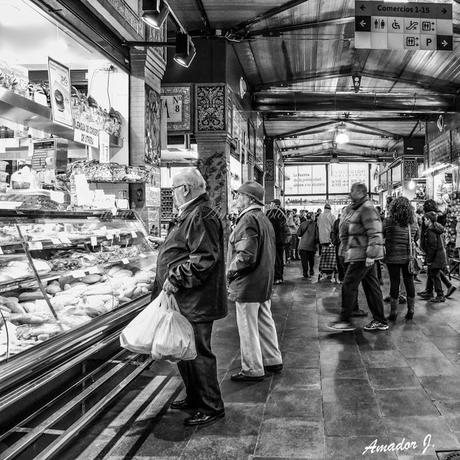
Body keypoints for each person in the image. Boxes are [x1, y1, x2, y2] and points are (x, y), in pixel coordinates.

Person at [154, 168, 226, 426]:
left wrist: (175, 278)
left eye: (173, 189)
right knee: (186, 351)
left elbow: (204, 259)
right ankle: (195, 397)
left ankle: (211, 406)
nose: (171, 194)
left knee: (198, 352)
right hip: (186, 300)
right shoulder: (192, 213)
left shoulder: (201, 214)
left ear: (185, 189)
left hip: (196, 299)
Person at [227, 181, 283, 381]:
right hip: (263, 279)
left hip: (248, 283)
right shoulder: (264, 218)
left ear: (249, 198)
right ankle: (272, 359)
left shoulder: (248, 219)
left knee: (247, 325)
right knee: (265, 321)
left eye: (239, 195)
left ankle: (252, 368)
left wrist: (230, 271)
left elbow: (246, 255)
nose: (236, 199)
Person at [329, 182, 388, 332]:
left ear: (361, 192)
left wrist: (371, 255)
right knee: (371, 287)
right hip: (360, 254)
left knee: (348, 285)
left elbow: (375, 232)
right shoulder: (359, 208)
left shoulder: (367, 208)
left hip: (362, 255)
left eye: (352, 191)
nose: (350, 193)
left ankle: (345, 320)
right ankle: (380, 320)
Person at [383, 197, 419, 321]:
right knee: (409, 282)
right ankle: (411, 310)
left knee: (395, 282)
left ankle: (393, 312)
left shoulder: (388, 221)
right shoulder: (413, 223)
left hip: (392, 257)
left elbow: (382, 235)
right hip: (408, 258)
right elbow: (416, 237)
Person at [418, 199, 456, 299]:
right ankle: (430, 291)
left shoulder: (430, 223)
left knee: (434, 271)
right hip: (438, 251)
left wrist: (428, 256)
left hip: (434, 252)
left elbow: (432, 243)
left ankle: (440, 293)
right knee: (433, 271)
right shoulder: (436, 218)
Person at [421, 210, 448, 302]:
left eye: (425, 219)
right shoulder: (436, 227)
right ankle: (429, 292)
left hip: (436, 256)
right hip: (440, 255)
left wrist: (429, 259)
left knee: (435, 275)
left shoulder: (431, 230)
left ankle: (440, 295)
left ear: (429, 220)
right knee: (432, 274)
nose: (424, 221)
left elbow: (432, 246)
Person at [266, 199, 288, 284]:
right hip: (281, 240)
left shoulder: (269, 213)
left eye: (271, 203)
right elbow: (285, 227)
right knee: (280, 258)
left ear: (275, 204)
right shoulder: (282, 213)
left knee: (273, 259)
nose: (270, 205)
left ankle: (275, 277)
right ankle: (280, 277)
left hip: (272, 240)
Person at [297, 211, 318, 277]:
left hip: (303, 245)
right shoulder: (315, 224)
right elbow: (317, 236)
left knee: (304, 260)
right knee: (311, 259)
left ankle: (305, 272)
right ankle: (311, 270)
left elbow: (299, 234)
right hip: (311, 245)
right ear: (312, 217)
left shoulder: (302, 224)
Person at [331, 208, 345, 282]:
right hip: (339, 245)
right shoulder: (337, 222)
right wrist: (334, 241)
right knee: (339, 261)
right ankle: (341, 277)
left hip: (349, 245)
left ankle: (347, 278)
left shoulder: (352, 221)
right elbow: (333, 232)